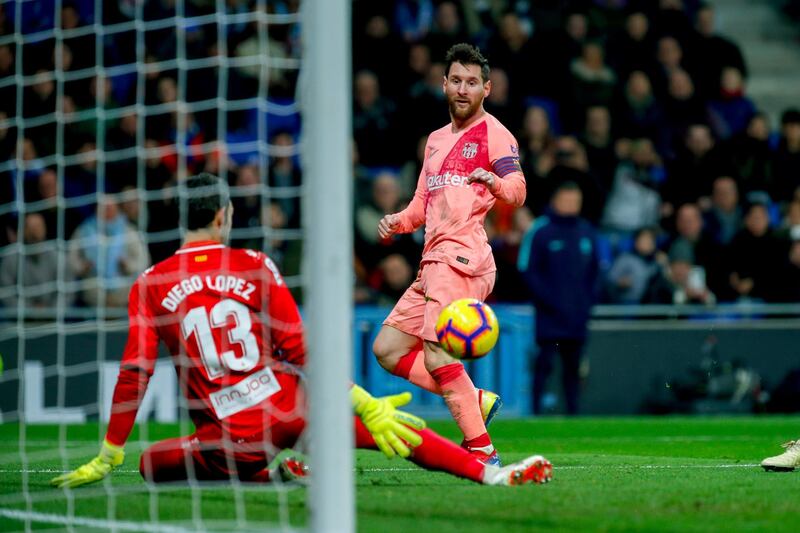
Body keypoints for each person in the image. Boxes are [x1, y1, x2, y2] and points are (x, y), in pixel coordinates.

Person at [51, 174, 551, 489]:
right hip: (291, 409)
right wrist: (362, 401)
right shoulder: (253, 264)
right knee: (391, 432)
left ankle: (266, 474)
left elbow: (135, 371)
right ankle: (490, 472)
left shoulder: (150, 283)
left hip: (231, 434)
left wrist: (111, 449)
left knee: (149, 464)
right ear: (223, 218)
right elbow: (302, 350)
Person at [372, 43, 526, 466]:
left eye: (472, 82)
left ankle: (482, 451)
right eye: (456, 80)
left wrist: (494, 182)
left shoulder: (495, 133)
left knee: (437, 353)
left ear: (486, 88)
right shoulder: (436, 141)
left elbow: (518, 190)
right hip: (432, 260)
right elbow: (422, 204)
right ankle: (474, 399)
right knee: (386, 349)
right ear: (444, 84)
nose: (462, 89)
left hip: (461, 257)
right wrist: (397, 222)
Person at [517, 182, 599, 415]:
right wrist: (549, 301)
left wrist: (587, 303)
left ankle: (573, 414)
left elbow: (595, 272)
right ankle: (535, 413)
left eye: (576, 201)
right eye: (568, 200)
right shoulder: (540, 231)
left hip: (577, 317)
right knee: (544, 366)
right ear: (556, 200)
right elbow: (527, 270)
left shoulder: (586, 231)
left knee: (573, 368)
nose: (572, 205)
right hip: (549, 317)